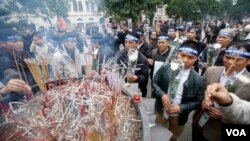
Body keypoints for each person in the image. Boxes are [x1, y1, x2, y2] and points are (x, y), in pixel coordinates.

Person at [153, 40, 204, 141]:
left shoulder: (198, 80)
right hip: (161, 110)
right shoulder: (165, 67)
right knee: (158, 134)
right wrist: (162, 95)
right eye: (183, 55)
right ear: (177, 54)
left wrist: (181, 108)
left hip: (179, 116)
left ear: (196, 59)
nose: (185, 60)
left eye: (190, 57)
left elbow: (198, 102)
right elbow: (154, 82)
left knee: (173, 136)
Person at [199, 42, 250, 141]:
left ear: (248, 61)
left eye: (237, 59)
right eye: (227, 57)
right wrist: (204, 100)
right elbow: (202, 90)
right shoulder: (211, 71)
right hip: (200, 122)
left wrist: (226, 115)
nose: (230, 62)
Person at [0, 28, 38, 102]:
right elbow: (11, 75)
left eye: (20, 40)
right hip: (16, 102)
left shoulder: (26, 54)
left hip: (34, 95)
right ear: (3, 43)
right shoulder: (2, 61)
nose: (19, 43)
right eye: (14, 41)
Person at [115, 31, 149, 97]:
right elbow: (114, 65)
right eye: (126, 42)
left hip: (136, 90)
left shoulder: (143, 59)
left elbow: (145, 77)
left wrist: (137, 78)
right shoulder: (120, 54)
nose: (127, 45)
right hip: (122, 88)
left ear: (137, 43)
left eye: (130, 43)